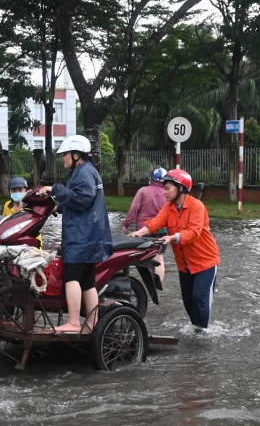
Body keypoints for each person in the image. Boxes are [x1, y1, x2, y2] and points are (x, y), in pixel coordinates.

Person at [36, 135, 112, 333]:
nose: (63, 159)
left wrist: (55, 188)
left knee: (71, 277)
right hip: (89, 236)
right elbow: (78, 203)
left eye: (66, 155)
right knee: (88, 281)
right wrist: (58, 208)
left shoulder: (83, 172)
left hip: (81, 237)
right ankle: (91, 323)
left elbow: (82, 200)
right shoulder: (86, 172)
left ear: (76, 154)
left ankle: (73, 322)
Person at [129, 168, 221, 331]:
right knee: (188, 301)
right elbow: (155, 222)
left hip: (205, 262)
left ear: (181, 188)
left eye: (168, 188)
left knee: (199, 297)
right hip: (184, 264)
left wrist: (172, 238)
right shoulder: (168, 207)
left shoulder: (196, 206)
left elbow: (193, 232)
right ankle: (196, 330)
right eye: (164, 188)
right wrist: (140, 232)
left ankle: (204, 333)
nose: (164, 192)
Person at [123, 166, 169, 288]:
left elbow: (134, 209)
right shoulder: (167, 193)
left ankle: (144, 286)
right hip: (162, 230)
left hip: (143, 230)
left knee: (142, 258)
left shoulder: (143, 191)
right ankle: (158, 287)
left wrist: (126, 223)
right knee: (159, 259)